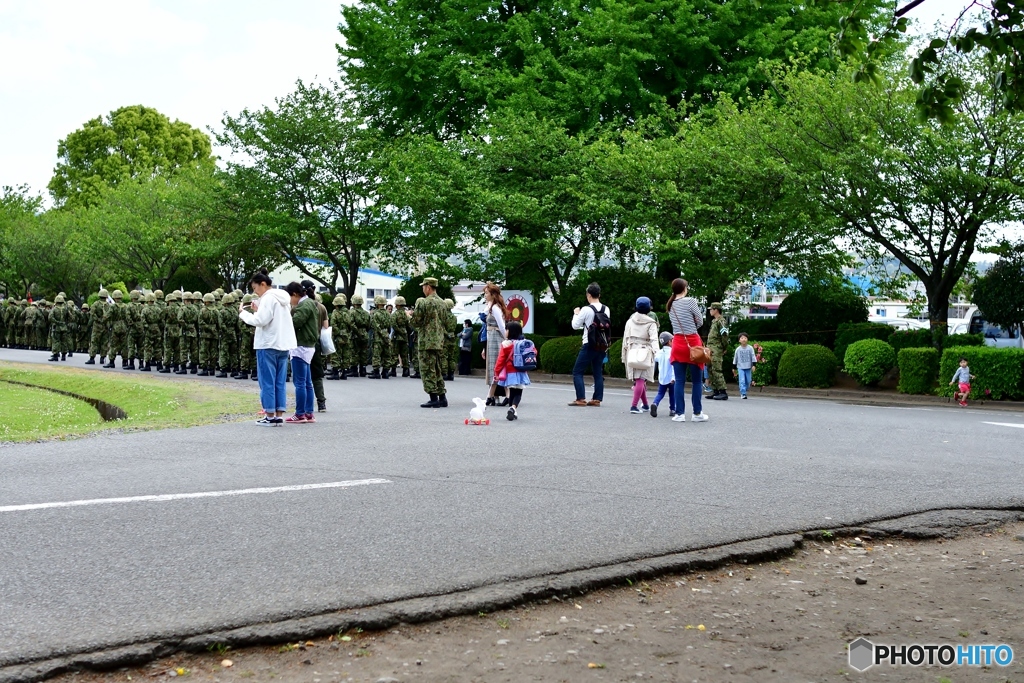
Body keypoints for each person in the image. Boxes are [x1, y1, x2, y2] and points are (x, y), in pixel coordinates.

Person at [239, 269, 297, 426]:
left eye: (255, 288)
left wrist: (243, 314)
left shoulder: (267, 298)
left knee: (267, 381)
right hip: (283, 344)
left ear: (263, 284)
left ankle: (269, 415)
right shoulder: (283, 298)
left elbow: (261, 321)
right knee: (279, 381)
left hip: (268, 344)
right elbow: (272, 318)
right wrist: (259, 311)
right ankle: (278, 413)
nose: (255, 292)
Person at [667, 278, 708, 423]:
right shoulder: (690, 301)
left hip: (677, 343)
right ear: (684, 288)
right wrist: (692, 328)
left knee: (679, 381)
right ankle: (697, 413)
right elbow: (700, 321)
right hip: (693, 343)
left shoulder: (671, 305)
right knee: (697, 381)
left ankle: (680, 414)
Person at [568, 282, 610, 407]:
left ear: (588, 295)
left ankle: (580, 398)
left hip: (589, 343)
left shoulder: (586, 309)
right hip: (602, 344)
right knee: (598, 371)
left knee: (577, 371)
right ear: (599, 294)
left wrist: (576, 313)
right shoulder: (606, 309)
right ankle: (597, 399)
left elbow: (575, 326)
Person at [410, 277, 449, 407]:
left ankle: (433, 398)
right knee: (437, 368)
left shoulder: (423, 303)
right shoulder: (443, 303)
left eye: (423, 286)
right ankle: (442, 396)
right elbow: (446, 323)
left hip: (426, 341)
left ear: (428, 287)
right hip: (438, 340)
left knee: (427, 369)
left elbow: (416, 322)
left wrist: (409, 316)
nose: (423, 289)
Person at [286, 282, 320, 423]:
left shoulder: (303, 305)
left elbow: (295, 323)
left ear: (294, 294)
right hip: (308, 346)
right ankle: (308, 413)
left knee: (300, 382)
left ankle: (300, 413)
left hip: (301, 346)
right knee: (307, 383)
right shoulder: (311, 303)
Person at [622, 296, 659, 414]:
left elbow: (625, 339)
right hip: (645, 351)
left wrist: (624, 355)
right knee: (641, 379)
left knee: (639, 378)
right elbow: (654, 339)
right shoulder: (651, 322)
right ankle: (634, 406)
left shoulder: (629, 321)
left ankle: (646, 405)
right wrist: (657, 353)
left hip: (631, 350)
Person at [493, 321, 531, 421]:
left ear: (510, 331)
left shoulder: (506, 344)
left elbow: (500, 360)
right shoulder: (524, 343)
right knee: (518, 393)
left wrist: (496, 372)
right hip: (521, 372)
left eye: (506, 329)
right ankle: (513, 408)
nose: (505, 331)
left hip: (510, 372)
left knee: (511, 392)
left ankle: (512, 409)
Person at [302, 281, 329, 411]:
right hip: (316, 343)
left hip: (302, 343)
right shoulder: (321, 307)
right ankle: (321, 402)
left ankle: (305, 405)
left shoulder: (300, 306)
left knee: (302, 375)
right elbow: (325, 326)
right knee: (317, 374)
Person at [482, 283, 509, 406]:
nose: (485, 295)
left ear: (493, 295)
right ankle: (493, 396)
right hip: (492, 339)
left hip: (496, 340)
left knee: (497, 368)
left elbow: (502, 327)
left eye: (487, 293)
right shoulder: (491, 307)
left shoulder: (495, 308)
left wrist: (506, 339)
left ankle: (493, 396)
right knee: (495, 368)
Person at [707, 303, 730, 400]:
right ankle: (715, 390)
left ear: (716, 310)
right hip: (711, 349)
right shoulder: (714, 321)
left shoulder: (721, 321)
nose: (710, 311)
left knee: (716, 369)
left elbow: (724, 336)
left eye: (711, 309)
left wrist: (724, 347)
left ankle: (723, 391)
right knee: (710, 369)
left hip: (717, 349)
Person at [650, 332, 676, 418]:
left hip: (662, 378)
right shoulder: (672, 352)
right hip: (671, 377)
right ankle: (672, 409)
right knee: (672, 394)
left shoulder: (660, 353)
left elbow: (655, 359)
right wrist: (673, 377)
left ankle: (655, 403)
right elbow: (673, 366)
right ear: (669, 342)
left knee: (660, 393)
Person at [370, 294, 393, 379]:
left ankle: (376, 373)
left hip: (378, 337)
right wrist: (386, 334)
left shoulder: (376, 314)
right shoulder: (388, 314)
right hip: (386, 336)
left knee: (377, 355)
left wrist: (381, 334)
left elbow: (375, 326)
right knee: (387, 355)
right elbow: (389, 326)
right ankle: (385, 372)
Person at [732, 333, 757, 399]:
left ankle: (745, 390)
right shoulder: (738, 349)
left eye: (745, 338)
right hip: (740, 367)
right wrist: (734, 368)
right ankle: (743, 393)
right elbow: (735, 358)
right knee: (742, 380)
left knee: (748, 381)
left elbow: (753, 357)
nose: (744, 339)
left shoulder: (750, 348)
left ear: (747, 339)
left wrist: (754, 365)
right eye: (742, 338)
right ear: (739, 340)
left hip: (748, 367)